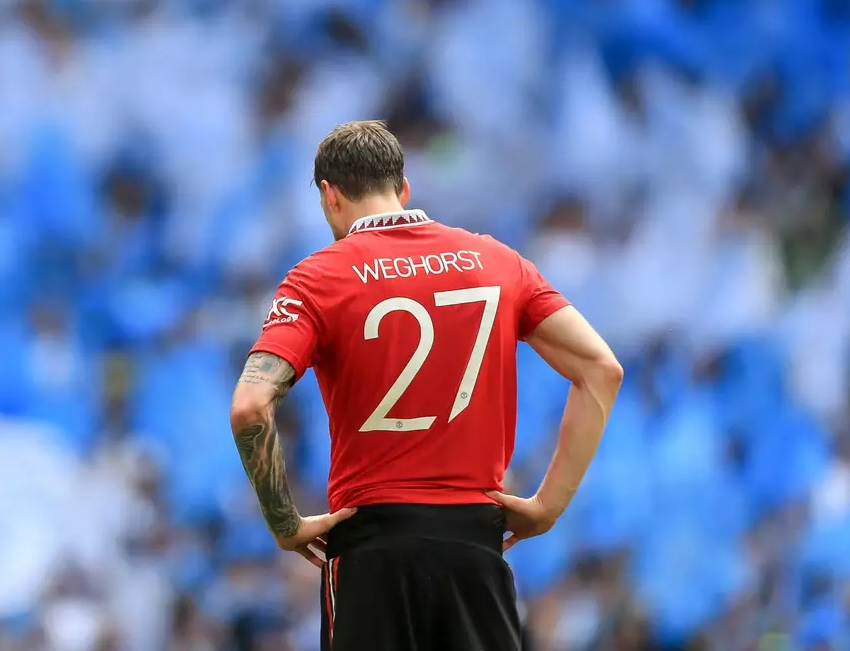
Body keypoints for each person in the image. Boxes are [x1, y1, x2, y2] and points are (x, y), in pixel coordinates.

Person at [229, 121, 623, 650]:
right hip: (475, 549)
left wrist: (283, 521)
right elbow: (602, 368)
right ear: (403, 188)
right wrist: (549, 505)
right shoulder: (496, 262)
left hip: (373, 552)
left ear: (330, 197)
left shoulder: (316, 279)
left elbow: (251, 407)